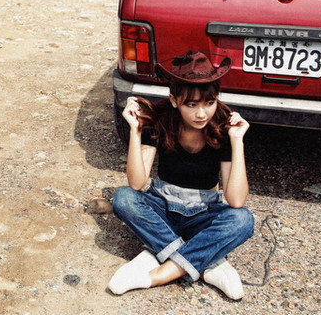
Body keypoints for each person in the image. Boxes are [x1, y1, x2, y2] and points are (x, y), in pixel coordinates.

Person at [108, 50, 254, 300]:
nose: (201, 114)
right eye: (191, 104)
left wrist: (237, 141)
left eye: (209, 103)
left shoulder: (223, 127)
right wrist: (135, 130)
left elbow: (236, 201)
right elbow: (137, 183)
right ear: (175, 100)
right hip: (163, 206)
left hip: (204, 211)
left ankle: (159, 269)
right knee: (124, 198)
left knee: (242, 220)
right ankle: (206, 261)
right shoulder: (160, 120)